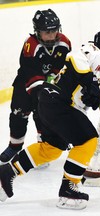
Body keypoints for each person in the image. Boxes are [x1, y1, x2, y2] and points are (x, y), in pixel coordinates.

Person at [0, 26, 100, 210]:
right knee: (88, 140)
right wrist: (90, 82)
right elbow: (75, 59)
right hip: (55, 99)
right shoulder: (94, 52)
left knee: (51, 149)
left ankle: (6, 172)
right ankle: (68, 189)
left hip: (58, 108)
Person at [0, 9, 71, 164]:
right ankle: (14, 146)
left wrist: (55, 81)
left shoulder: (64, 43)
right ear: (37, 32)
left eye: (55, 31)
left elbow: (64, 66)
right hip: (25, 84)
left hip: (48, 83)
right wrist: (41, 91)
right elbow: (29, 70)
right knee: (18, 114)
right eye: (47, 32)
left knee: (44, 116)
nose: (52, 35)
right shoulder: (30, 45)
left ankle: (43, 147)